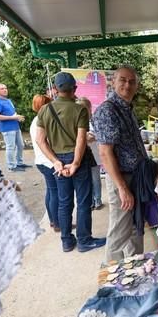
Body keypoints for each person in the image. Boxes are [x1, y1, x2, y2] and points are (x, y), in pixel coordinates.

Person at [35, 72, 106, 253]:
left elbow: (40, 140)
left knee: (64, 202)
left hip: (58, 160)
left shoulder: (45, 110)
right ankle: (84, 240)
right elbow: (81, 140)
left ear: (56, 90)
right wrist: (74, 163)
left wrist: (56, 162)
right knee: (83, 202)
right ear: (74, 88)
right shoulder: (79, 109)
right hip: (77, 159)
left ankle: (66, 241)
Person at [92, 65, 149, 262]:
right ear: (113, 81)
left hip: (135, 177)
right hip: (122, 178)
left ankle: (135, 270)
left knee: (135, 228)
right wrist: (122, 188)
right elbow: (105, 153)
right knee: (119, 232)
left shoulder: (127, 108)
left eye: (132, 81)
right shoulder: (108, 110)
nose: (127, 85)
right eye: (123, 80)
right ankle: (111, 283)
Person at [30, 94, 60, 232]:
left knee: (50, 191)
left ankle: (53, 221)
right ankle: (57, 223)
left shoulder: (35, 120)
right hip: (49, 162)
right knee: (55, 193)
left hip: (40, 161)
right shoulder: (43, 120)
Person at [0, 83, 29, 172]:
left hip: (15, 126)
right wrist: (13, 117)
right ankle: (11, 166)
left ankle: (19, 163)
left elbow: (12, 113)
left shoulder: (8, 100)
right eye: (2, 88)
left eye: (6, 88)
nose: (5, 90)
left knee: (21, 145)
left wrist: (18, 117)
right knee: (10, 147)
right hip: (7, 128)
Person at [77, 97, 103, 210]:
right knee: (87, 180)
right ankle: (91, 201)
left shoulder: (94, 121)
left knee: (95, 179)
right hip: (82, 156)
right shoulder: (77, 121)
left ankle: (97, 200)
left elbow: (94, 137)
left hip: (94, 155)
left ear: (89, 108)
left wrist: (89, 136)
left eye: (84, 108)